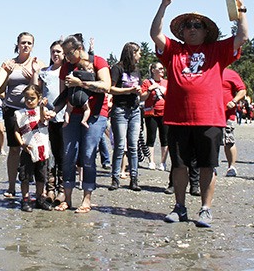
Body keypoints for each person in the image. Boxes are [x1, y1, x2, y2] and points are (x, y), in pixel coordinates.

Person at [150, 0, 248, 228]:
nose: (191, 29)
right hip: (177, 119)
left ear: (206, 31)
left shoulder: (218, 50)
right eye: (188, 25)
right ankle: (180, 207)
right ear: (182, 31)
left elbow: (243, 36)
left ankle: (205, 209)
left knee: (208, 165)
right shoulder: (174, 50)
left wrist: (241, 9)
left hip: (211, 119)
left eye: (196, 25)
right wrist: (163, 6)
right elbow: (155, 33)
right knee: (179, 165)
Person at [55, 33, 111, 212]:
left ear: (79, 49)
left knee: (88, 155)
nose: (67, 57)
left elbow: (106, 85)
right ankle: (68, 198)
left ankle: (87, 199)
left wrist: (82, 83)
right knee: (68, 155)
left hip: (95, 114)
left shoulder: (98, 62)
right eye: (65, 54)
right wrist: (52, 111)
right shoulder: (66, 68)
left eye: (69, 53)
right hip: (72, 115)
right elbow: (63, 95)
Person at [1, 32, 45, 198]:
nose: (26, 45)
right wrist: (6, 72)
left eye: (29, 43)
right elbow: (0, 89)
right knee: (14, 148)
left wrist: (33, 76)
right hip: (12, 109)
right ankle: (12, 187)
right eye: (23, 43)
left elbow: (39, 90)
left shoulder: (38, 63)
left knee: (34, 148)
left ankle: (33, 189)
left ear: (33, 45)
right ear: (17, 44)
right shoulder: (10, 63)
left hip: (31, 112)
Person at [15, 85, 55, 212]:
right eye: (26, 98)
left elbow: (43, 120)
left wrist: (43, 106)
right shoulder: (19, 114)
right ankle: (25, 199)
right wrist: (22, 143)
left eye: (32, 98)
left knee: (41, 176)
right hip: (28, 149)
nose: (29, 100)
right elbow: (16, 130)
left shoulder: (42, 112)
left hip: (42, 150)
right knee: (25, 175)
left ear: (39, 98)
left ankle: (39, 198)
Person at [108, 42, 143, 192]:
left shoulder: (137, 71)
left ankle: (134, 179)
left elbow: (139, 90)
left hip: (135, 109)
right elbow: (110, 88)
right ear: (132, 53)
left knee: (133, 145)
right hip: (120, 110)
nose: (140, 56)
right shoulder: (117, 68)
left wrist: (139, 91)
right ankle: (115, 178)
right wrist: (128, 90)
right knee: (120, 145)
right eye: (138, 53)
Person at [38, 40, 66, 204]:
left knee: (61, 153)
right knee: (48, 154)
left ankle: (61, 189)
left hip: (62, 117)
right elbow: (37, 91)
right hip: (46, 117)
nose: (56, 54)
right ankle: (50, 187)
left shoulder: (67, 72)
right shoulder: (45, 72)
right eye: (53, 51)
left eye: (59, 52)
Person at [141, 61, 169, 171]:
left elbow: (172, 97)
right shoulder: (147, 82)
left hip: (165, 112)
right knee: (151, 137)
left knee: (165, 138)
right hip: (151, 113)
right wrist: (149, 90)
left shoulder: (166, 82)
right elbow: (142, 97)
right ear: (153, 70)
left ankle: (163, 162)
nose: (162, 70)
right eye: (160, 68)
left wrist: (164, 91)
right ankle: (151, 161)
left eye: (163, 68)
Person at [222, 68, 247, 177]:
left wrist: (234, 101)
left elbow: (242, 90)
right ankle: (210, 167)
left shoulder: (231, 74)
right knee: (209, 141)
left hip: (227, 114)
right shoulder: (207, 72)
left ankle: (231, 167)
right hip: (210, 114)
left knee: (229, 140)